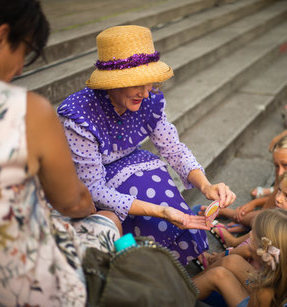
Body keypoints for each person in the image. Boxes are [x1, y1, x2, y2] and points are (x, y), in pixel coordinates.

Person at [0, 1, 122, 307]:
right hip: (29, 294)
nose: (18, 69)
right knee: (108, 219)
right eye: (26, 53)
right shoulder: (24, 111)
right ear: (0, 38)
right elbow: (73, 202)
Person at [57, 24, 236, 265]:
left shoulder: (147, 100)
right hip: (88, 180)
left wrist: (205, 185)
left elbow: (173, 148)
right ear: (113, 83)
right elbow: (94, 188)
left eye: (148, 82)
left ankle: (184, 260)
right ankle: (158, 267)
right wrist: (159, 211)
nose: (145, 92)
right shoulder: (80, 116)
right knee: (157, 212)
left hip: (132, 164)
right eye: (136, 83)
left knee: (160, 187)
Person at [193, 208, 287, 307]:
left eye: (253, 236)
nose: (249, 235)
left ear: (265, 254)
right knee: (232, 261)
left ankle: (178, 299)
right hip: (270, 292)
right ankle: (185, 283)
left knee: (216, 275)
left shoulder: (264, 294)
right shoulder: (278, 268)